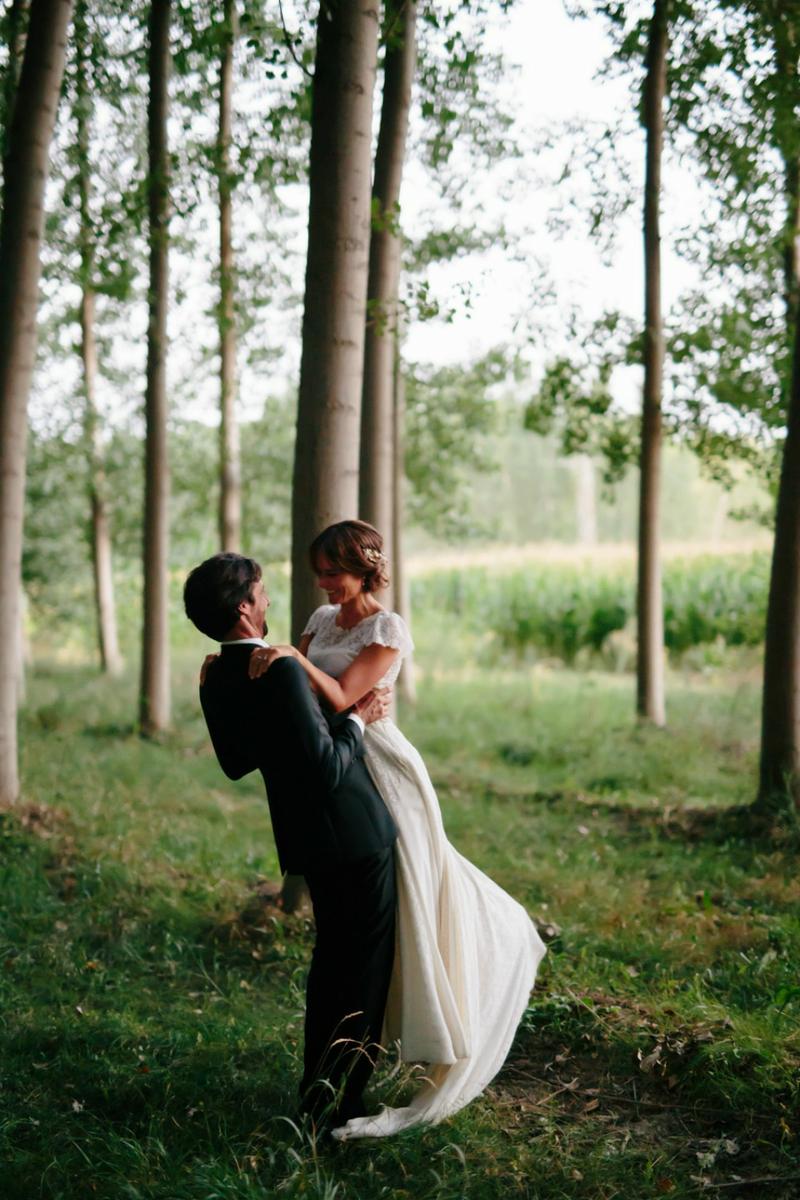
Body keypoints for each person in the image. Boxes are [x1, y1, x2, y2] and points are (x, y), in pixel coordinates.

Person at [248, 520, 547, 1140]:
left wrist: (296, 659)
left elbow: (341, 695)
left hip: (382, 767)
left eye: (334, 572)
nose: (325, 583)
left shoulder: (387, 629)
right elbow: (305, 697)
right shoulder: (321, 619)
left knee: (407, 895)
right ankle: (345, 1061)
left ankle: (452, 989)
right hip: (336, 766)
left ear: (365, 569)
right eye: (319, 572)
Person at [183, 552, 398, 1134]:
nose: (269, 599)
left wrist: (213, 697)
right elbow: (327, 768)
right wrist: (358, 718)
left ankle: (317, 1089)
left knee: (331, 966)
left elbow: (234, 763)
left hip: (306, 839)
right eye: (261, 592)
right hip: (356, 832)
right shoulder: (278, 669)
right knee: (363, 972)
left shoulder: (216, 673)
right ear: (244, 607)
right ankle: (341, 1103)